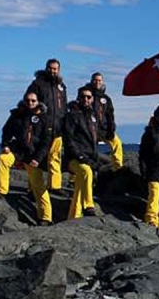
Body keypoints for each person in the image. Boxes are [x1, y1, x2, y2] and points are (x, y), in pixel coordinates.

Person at [0, 92, 53, 225]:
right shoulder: (16, 114)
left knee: (38, 186)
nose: (30, 103)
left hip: (33, 155)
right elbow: (6, 131)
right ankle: (1, 190)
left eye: (33, 101)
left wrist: (37, 158)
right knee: (2, 158)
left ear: (38, 102)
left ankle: (46, 217)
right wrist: (6, 145)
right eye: (27, 100)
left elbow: (46, 142)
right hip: (17, 151)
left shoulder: (44, 118)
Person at [26, 58, 68, 190]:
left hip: (58, 127)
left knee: (55, 158)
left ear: (59, 70)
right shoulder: (38, 84)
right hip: (41, 127)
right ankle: (32, 188)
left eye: (55, 68)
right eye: (50, 68)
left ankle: (55, 187)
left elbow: (64, 106)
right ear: (46, 68)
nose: (52, 71)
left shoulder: (61, 86)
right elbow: (29, 101)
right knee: (36, 157)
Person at [63, 86, 99, 219]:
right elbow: (69, 140)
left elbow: (94, 140)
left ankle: (73, 215)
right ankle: (89, 205)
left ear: (92, 99)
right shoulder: (72, 115)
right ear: (78, 98)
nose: (86, 99)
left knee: (80, 185)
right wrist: (81, 157)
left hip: (89, 158)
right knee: (86, 172)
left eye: (88, 97)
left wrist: (94, 159)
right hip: (74, 159)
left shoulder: (92, 116)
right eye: (83, 96)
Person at [87, 72, 123, 170]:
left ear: (102, 82)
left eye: (99, 80)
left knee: (117, 143)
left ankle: (118, 169)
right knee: (85, 150)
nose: (97, 82)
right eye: (95, 80)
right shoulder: (86, 95)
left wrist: (111, 130)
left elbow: (110, 115)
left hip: (103, 129)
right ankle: (73, 178)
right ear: (91, 81)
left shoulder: (106, 99)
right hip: (89, 129)